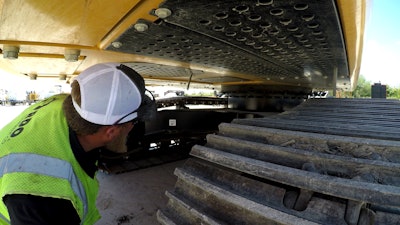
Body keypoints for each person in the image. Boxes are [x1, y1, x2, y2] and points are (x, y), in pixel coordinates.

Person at [0, 63, 156, 225]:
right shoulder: (44, 198)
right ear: (110, 132)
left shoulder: (61, 102)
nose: (133, 128)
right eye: (133, 123)